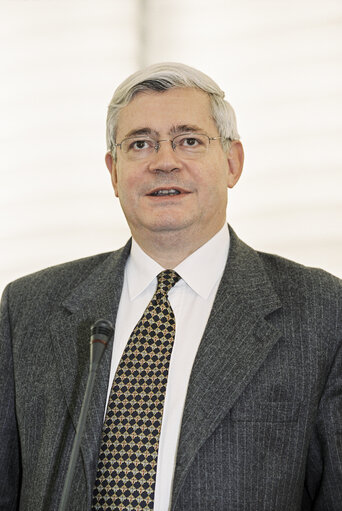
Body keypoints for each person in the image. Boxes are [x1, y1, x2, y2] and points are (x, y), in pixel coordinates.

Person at [0, 62, 341, 511]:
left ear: (232, 162)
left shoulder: (321, 311)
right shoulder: (27, 308)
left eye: (189, 141)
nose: (164, 161)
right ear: (114, 172)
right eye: (140, 144)